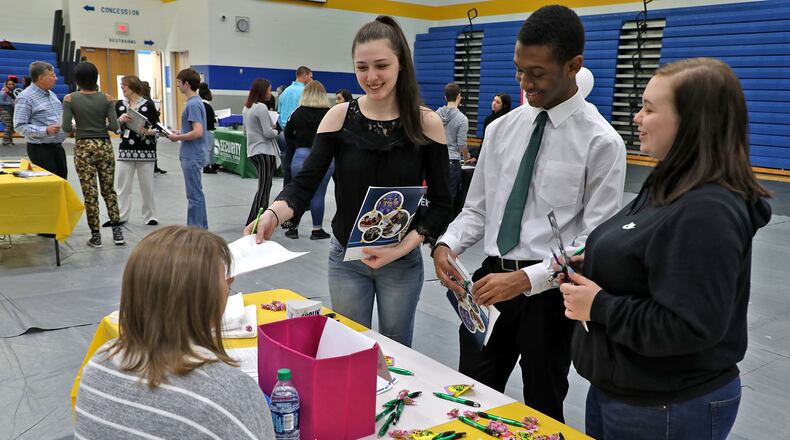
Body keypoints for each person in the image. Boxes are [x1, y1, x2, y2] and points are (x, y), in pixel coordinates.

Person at [558, 57, 771, 439]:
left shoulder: (707, 210)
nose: (637, 117)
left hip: (665, 405)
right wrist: (596, 263)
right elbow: (651, 252)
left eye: (649, 109)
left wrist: (599, 305)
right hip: (624, 391)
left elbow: (690, 325)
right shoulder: (668, 181)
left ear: (691, 122)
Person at [432, 5, 626, 422]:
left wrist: (526, 279)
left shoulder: (601, 143)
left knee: (542, 402)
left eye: (536, 73)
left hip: (550, 295)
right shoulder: (502, 129)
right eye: (519, 70)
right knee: (473, 398)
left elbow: (593, 242)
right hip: (487, 284)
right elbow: (478, 209)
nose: (524, 82)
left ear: (573, 66)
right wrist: (447, 243)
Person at [246, 16, 452, 347]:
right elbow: (304, 183)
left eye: (381, 65)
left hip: (400, 262)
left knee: (397, 352)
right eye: (362, 67)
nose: (371, 77)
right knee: (350, 349)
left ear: (401, 64)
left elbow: (443, 202)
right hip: (346, 260)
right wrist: (273, 213)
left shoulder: (426, 123)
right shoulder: (338, 117)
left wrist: (401, 248)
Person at [74, 225, 276, 438]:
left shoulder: (99, 362)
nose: (230, 281)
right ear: (202, 299)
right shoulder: (228, 392)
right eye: (223, 276)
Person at [62, 62, 125, 248]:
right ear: (96, 77)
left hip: (83, 147)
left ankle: (96, 236)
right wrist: (100, 126)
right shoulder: (107, 99)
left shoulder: (69, 99)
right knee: (109, 190)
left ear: (77, 79)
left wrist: (80, 127)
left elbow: (66, 128)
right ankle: (117, 232)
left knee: (90, 192)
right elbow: (114, 127)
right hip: (104, 146)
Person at [284, 80, 333, 240]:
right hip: (324, 158)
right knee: (319, 194)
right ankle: (316, 230)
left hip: (301, 155)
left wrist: (296, 144)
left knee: (297, 193)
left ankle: (293, 228)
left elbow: (287, 133)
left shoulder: (297, 113)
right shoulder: (330, 113)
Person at [114, 75, 160, 227]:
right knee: (122, 186)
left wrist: (149, 132)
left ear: (132, 86)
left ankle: (150, 216)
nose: (122, 88)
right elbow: (114, 128)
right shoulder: (120, 105)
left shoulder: (148, 105)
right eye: (122, 86)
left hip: (145, 151)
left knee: (147, 185)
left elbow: (158, 128)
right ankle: (121, 215)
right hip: (125, 150)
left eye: (124, 86)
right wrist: (120, 121)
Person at [167, 68, 209, 229]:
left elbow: (198, 131)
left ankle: (195, 230)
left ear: (186, 84)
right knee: (197, 194)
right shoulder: (196, 103)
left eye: (179, 82)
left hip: (191, 155)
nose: (177, 85)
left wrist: (178, 137)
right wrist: (180, 132)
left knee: (194, 196)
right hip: (193, 153)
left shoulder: (193, 104)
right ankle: (201, 228)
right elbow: (194, 128)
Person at [13, 61, 67, 178]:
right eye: (52, 75)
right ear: (41, 78)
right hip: (40, 149)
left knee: (61, 183)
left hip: (58, 147)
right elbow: (19, 126)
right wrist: (45, 130)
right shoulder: (25, 97)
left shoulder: (52, 94)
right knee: (49, 186)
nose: (55, 78)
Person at [243, 78, 279, 225]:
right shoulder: (261, 108)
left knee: (264, 187)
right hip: (264, 151)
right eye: (269, 89)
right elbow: (268, 133)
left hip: (253, 151)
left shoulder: (247, 108)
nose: (270, 93)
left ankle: (256, 220)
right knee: (264, 189)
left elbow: (245, 132)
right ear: (263, 90)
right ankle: (255, 222)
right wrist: (276, 130)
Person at [276, 66, 312, 189]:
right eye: (311, 77)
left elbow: (279, 113)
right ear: (305, 76)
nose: (311, 80)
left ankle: (286, 193)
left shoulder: (284, 92)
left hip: (285, 133)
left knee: (288, 165)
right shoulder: (305, 93)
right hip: (299, 135)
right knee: (301, 167)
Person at [436, 82, 469, 202]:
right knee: (449, 197)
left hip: (436, 159)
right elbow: (461, 145)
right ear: (459, 97)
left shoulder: (435, 115)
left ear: (445, 97)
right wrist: (466, 158)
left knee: (435, 196)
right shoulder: (462, 119)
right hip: (452, 160)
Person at [472, 92, 511, 160]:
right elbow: (484, 140)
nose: (494, 103)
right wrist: (477, 157)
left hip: (502, 156)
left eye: (498, 102)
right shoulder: (488, 119)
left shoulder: (508, 120)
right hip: (489, 154)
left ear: (504, 106)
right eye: (493, 100)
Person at [141, 80, 166, 175]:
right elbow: (152, 115)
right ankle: (153, 167)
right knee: (152, 147)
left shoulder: (143, 100)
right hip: (150, 128)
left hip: (147, 127)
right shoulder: (148, 100)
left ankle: (154, 167)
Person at [199, 82, 219, 174]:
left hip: (204, 130)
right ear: (207, 95)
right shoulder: (207, 106)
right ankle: (206, 166)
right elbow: (209, 119)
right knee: (208, 149)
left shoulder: (200, 105)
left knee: (209, 149)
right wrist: (215, 119)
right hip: (208, 130)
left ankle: (211, 164)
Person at [1, 78, 16, 145]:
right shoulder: (3, 92)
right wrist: (11, 103)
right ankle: (5, 141)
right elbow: (1, 102)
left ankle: (9, 140)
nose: (11, 85)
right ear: (6, 85)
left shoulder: (11, 93)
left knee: (11, 126)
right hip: (5, 111)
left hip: (11, 111)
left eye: (12, 84)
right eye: (9, 84)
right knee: (8, 126)